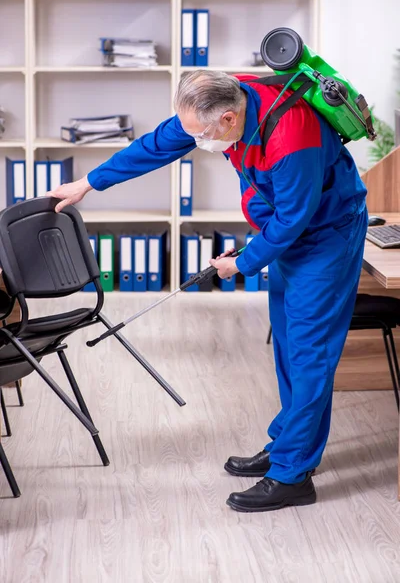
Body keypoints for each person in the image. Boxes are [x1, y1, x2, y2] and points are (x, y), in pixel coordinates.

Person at [48, 70, 368, 513]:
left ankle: (293, 475)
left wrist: (243, 262)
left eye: (200, 135)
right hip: (287, 229)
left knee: (310, 350)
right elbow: (157, 144)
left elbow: (295, 218)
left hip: (326, 234)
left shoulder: (291, 136)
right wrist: (89, 183)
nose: (194, 141)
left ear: (230, 120)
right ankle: (286, 446)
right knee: (289, 342)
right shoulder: (215, 101)